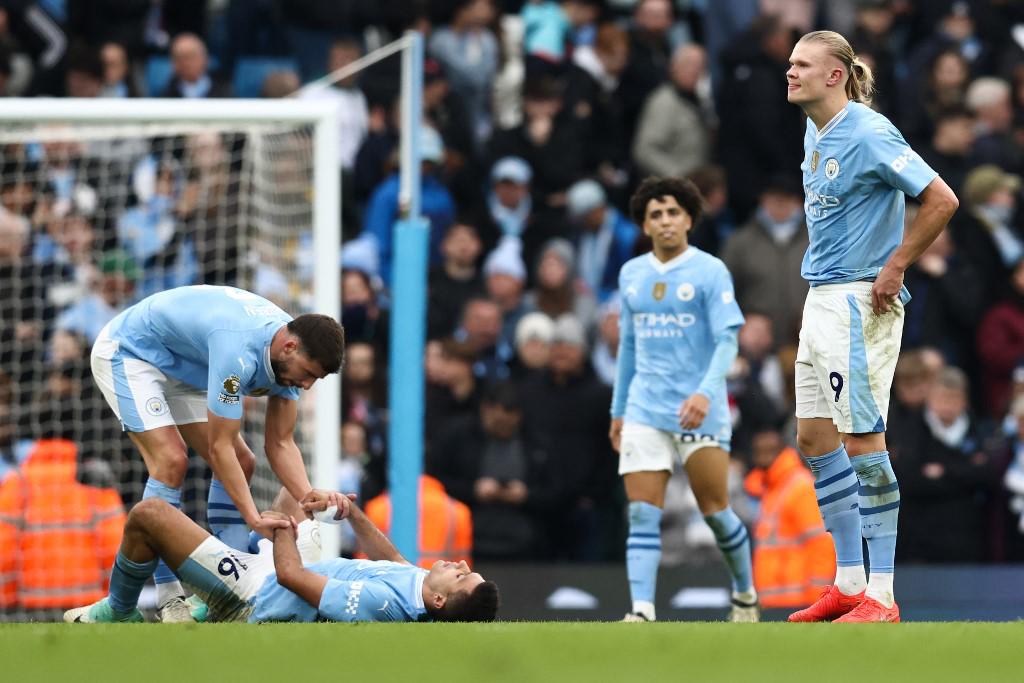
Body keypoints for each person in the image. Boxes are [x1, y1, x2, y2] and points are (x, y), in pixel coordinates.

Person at [785, 30, 959, 623]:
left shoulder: (868, 131)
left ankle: (882, 595)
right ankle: (849, 582)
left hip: (860, 300)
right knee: (813, 438)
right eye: (790, 63)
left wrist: (898, 263)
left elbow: (942, 199)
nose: (791, 72)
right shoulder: (815, 129)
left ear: (834, 75)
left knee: (862, 440)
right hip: (821, 298)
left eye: (802, 65)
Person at [89, 284, 347, 622]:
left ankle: (224, 593)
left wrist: (309, 496)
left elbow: (280, 443)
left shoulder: (289, 354)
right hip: (132, 353)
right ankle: (167, 600)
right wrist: (254, 517)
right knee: (171, 461)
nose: (308, 385)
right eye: (310, 375)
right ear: (289, 347)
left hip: (187, 366)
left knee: (243, 461)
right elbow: (219, 445)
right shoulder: (237, 350)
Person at [609, 177, 757, 622]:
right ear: (645, 225)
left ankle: (745, 593)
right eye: (656, 214)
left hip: (699, 410)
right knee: (641, 512)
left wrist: (705, 393)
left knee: (715, 511)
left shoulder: (710, 271)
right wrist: (618, 410)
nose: (666, 221)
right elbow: (629, 348)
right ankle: (642, 610)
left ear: (689, 219)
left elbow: (728, 340)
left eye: (673, 212)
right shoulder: (631, 274)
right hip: (644, 408)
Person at [63, 488, 498, 623]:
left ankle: (121, 610)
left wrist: (281, 530)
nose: (460, 564)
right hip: (287, 568)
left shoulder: (382, 606)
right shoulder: (417, 585)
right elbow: (394, 559)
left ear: (440, 602)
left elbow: (291, 578)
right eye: (466, 569)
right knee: (295, 492)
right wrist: (353, 513)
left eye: (461, 577)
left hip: (257, 592)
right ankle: (199, 596)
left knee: (149, 514)